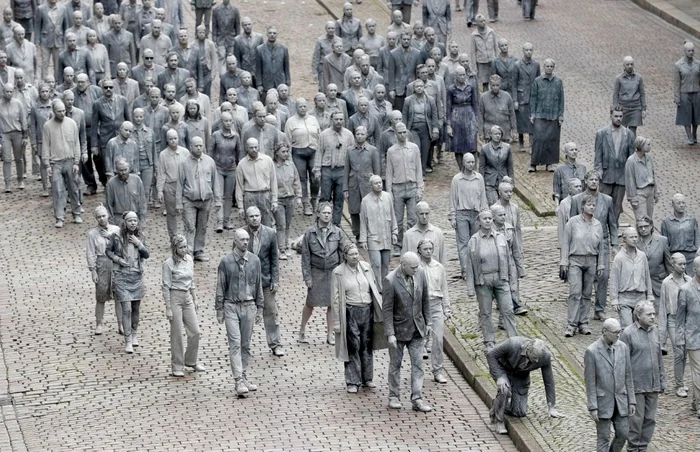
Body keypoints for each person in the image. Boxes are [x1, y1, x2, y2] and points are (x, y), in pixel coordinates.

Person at [215, 229, 264, 397]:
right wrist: (219, 309)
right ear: (235, 241)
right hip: (231, 305)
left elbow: (258, 284)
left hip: (249, 305)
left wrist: (260, 307)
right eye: (242, 239)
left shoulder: (255, 260)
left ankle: (243, 375)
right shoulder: (226, 262)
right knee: (235, 343)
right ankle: (238, 380)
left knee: (246, 344)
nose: (245, 242)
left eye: (247, 239)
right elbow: (220, 286)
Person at [332, 243, 385, 393]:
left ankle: (367, 378)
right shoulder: (338, 273)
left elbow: (373, 287)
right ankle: (353, 381)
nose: (355, 256)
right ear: (345, 256)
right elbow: (335, 299)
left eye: (356, 254)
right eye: (352, 254)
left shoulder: (365, 267)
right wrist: (337, 322)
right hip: (350, 311)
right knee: (353, 346)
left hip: (367, 310)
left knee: (367, 345)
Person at [383, 252, 432, 412]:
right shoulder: (390, 280)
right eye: (412, 267)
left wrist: (428, 322)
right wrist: (390, 333)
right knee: (395, 365)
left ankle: (417, 399)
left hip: (417, 328)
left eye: (417, 267)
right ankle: (393, 396)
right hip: (398, 330)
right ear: (402, 265)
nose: (416, 270)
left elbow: (425, 299)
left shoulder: (421, 274)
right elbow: (387, 309)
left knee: (418, 365)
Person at [465, 209, 518, 350]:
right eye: (485, 219)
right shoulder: (474, 241)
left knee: (508, 309)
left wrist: (512, 280)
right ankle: (489, 341)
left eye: (489, 218)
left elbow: (508, 259)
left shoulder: (500, 238)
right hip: (483, 280)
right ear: (479, 222)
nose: (488, 221)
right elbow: (469, 266)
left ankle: (514, 339)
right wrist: (470, 287)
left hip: (501, 278)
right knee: (485, 312)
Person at [486, 337, 561, 435]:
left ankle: (497, 405)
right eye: (530, 359)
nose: (531, 363)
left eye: (534, 361)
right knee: (505, 390)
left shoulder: (545, 357)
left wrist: (551, 406)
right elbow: (491, 355)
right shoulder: (513, 343)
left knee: (520, 412)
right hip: (503, 369)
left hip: (520, 377)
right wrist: (499, 377)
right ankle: (498, 421)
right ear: (527, 349)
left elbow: (549, 380)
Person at [571, 170, 618, 320]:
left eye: (597, 180)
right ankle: (581, 308)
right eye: (591, 179)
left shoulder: (607, 200)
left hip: (602, 242)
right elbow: (571, 225)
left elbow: (613, 223)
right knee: (584, 277)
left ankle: (600, 308)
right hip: (583, 244)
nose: (594, 182)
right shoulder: (577, 200)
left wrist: (614, 243)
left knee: (603, 276)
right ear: (585, 181)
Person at [584, 318, 636, 452]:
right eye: (615, 332)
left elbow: (628, 376)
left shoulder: (623, 347)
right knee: (603, 438)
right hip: (603, 401)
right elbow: (590, 382)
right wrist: (593, 406)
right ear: (604, 331)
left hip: (621, 401)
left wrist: (632, 401)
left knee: (623, 433)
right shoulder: (592, 351)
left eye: (619, 332)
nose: (618, 335)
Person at [619, 301, 665, 452]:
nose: (653, 317)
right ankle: (633, 448)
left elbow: (659, 358)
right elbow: (622, 362)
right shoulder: (628, 334)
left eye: (653, 314)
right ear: (638, 316)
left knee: (649, 419)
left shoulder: (655, 331)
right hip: (636, 386)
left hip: (653, 384)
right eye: (649, 314)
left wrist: (661, 381)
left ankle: (643, 447)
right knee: (636, 421)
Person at [300, 202, 346, 345]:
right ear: (318, 214)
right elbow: (305, 257)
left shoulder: (337, 232)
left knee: (332, 304)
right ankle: (302, 330)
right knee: (310, 303)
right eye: (324, 213)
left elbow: (344, 252)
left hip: (332, 272)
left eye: (329, 213)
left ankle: (330, 334)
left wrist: (343, 273)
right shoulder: (310, 232)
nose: (327, 215)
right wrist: (307, 277)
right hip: (316, 272)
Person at [560, 193, 606, 337]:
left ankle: (584, 323)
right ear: (582, 206)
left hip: (591, 260)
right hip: (575, 260)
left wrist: (601, 264)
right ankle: (571, 324)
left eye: (594, 205)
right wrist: (564, 262)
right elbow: (565, 243)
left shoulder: (598, 224)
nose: (592, 207)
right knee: (575, 292)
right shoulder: (572, 223)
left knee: (587, 294)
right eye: (589, 205)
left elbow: (602, 246)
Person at [105, 211, 149, 354]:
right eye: (130, 220)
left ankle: (135, 333)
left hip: (136, 276)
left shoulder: (140, 236)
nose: (133, 223)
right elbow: (108, 251)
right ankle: (127, 340)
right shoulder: (116, 236)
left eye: (135, 220)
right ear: (125, 222)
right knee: (127, 309)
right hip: (122, 276)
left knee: (136, 308)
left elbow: (147, 254)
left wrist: (139, 244)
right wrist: (118, 260)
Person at [243, 206, 284, 357]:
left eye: (257, 215)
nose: (254, 218)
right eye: (251, 216)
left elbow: (274, 259)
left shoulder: (270, 233)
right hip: (247, 282)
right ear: (246, 218)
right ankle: (244, 347)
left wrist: (275, 279)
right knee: (247, 315)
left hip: (266, 280)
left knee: (271, 312)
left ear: (261, 216)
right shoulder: (241, 234)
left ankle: (275, 344)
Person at [162, 235, 205, 377]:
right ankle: (177, 365)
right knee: (177, 333)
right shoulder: (168, 264)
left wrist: (195, 298)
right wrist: (168, 307)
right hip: (175, 297)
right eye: (181, 247)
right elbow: (166, 286)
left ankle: (191, 360)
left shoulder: (189, 260)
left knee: (195, 331)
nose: (184, 249)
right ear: (175, 248)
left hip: (187, 297)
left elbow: (191, 280)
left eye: (185, 246)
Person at [176, 136, 219, 262]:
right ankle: (188, 252)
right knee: (190, 226)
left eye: (201, 145)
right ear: (191, 147)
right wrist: (179, 203)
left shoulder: (210, 161)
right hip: (189, 200)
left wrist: (218, 200)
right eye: (196, 145)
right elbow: (179, 183)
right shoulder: (184, 163)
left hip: (206, 200)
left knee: (202, 226)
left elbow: (215, 181)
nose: (199, 148)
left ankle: (199, 250)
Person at [42, 99, 83, 228]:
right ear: (54, 111)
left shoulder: (72, 123)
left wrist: (77, 162)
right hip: (56, 163)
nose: (62, 113)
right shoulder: (47, 126)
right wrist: (47, 164)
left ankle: (76, 213)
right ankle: (60, 217)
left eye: (64, 110)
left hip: (70, 161)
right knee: (58, 190)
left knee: (74, 189)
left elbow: (77, 143)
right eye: (59, 111)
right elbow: (45, 146)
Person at [386, 122, 423, 257]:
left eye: (404, 132)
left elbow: (419, 169)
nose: (402, 135)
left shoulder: (414, 148)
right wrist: (389, 191)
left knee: (413, 218)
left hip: (412, 186)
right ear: (395, 133)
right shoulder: (391, 151)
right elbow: (389, 172)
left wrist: (420, 187)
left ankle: (413, 244)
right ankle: (398, 244)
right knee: (398, 219)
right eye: (399, 132)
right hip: (398, 187)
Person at [416, 238, 451, 384]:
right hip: (421, 306)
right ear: (419, 251)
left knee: (438, 339)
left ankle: (438, 370)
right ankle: (417, 371)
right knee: (419, 339)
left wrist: (446, 308)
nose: (428, 252)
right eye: (425, 249)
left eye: (430, 249)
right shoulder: (416, 268)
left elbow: (444, 288)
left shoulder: (439, 267)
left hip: (436, 305)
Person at [593, 106, 636, 224]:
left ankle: (614, 228)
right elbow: (598, 155)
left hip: (621, 176)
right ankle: (600, 227)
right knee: (602, 204)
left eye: (620, 116)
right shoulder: (601, 133)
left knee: (617, 206)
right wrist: (598, 171)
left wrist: (630, 175)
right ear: (611, 116)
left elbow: (631, 157)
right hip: (606, 175)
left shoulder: (629, 134)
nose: (618, 119)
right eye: (616, 116)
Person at [449, 152, 487, 278]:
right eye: (468, 162)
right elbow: (453, 199)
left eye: (473, 162)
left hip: (476, 214)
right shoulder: (457, 179)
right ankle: (465, 269)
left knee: (476, 242)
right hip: (462, 214)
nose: (471, 164)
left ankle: (476, 268)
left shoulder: (479, 178)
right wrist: (453, 216)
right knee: (463, 243)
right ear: (463, 163)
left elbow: (482, 197)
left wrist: (484, 213)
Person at [86, 204, 122, 335]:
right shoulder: (92, 234)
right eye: (99, 217)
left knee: (119, 295)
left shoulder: (116, 229)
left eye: (103, 216)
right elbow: (90, 252)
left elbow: (121, 246)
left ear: (108, 215)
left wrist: (109, 237)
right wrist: (93, 270)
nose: (102, 219)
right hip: (102, 263)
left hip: (115, 262)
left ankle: (121, 324)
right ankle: (99, 323)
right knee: (101, 295)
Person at [659, 253, 691, 398]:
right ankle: (679, 384)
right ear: (673, 265)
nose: (683, 267)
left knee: (685, 353)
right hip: (673, 320)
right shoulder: (667, 283)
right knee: (678, 351)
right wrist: (662, 334)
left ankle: (682, 380)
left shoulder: (689, 281)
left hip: (688, 321)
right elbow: (663, 308)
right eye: (680, 264)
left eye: (685, 264)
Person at [610, 227, 655, 329]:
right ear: (624, 239)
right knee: (627, 327)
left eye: (636, 237)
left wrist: (650, 296)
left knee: (642, 325)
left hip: (640, 296)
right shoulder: (619, 258)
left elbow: (647, 276)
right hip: (625, 297)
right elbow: (614, 280)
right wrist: (614, 300)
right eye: (631, 237)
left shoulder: (642, 256)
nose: (634, 239)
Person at [315, 111, 354, 227]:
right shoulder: (324, 134)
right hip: (327, 170)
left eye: (341, 119)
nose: (339, 122)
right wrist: (317, 170)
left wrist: (351, 171)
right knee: (325, 197)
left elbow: (351, 153)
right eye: (336, 119)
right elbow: (319, 152)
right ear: (332, 120)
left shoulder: (348, 135)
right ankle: (321, 222)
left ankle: (336, 224)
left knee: (339, 198)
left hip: (342, 170)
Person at [359, 174, 398, 289]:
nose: (379, 185)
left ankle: (385, 286)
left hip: (386, 236)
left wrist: (394, 232)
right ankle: (378, 288)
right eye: (376, 183)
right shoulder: (365, 201)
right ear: (371, 185)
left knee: (386, 264)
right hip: (373, 237)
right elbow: (363, 221)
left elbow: (393, 215)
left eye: (380, 182)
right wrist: (363, 239)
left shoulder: (387, 197)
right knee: (376, 264)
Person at [284, 98, 320, 217]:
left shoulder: (313, 119)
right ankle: (305, 204)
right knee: (302, 179)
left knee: (315, 177)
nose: (303, 108)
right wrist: (288, 156)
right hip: (298, 152)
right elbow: (287, 140)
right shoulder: (291, 122)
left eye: (305, 106)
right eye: (301, 107)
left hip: (313, 151)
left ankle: (314, 199)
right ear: (296, 108)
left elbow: (319, 136)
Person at [344, 127, 380, 240]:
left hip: (367, 185)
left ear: (366, 135)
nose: (360, 136)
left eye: (362, 134)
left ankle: (371, 233)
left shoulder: (372, 150)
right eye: (357, 134)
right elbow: (346, 170)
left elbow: (377, 170)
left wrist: (377, 187)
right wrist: (345, 188)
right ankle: (357, 233)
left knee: (369, 209)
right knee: (354, 210)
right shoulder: (349, 150)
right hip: (353, 184)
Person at [529, 58, 564, 173]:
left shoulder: (558, 82)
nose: (549, 68)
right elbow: (533, 97)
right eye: (547, 66)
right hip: (540, 114)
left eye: (551, 66)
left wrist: (560, 115)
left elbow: (561, 100)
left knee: (551, 140)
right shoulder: (537, 81)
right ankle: (533, 163)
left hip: (553, 115)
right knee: (538, 139)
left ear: (553, 68)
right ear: (544, 67)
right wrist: (533, 113)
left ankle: (549, 163)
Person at [209, 112, 242, 232]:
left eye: (230, 121)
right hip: (218, 168)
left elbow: (238, 152)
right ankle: (219, 221)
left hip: (231, 169)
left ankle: (226, 221)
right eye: (226, 121)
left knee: (228, 196)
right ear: (221, 122)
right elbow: (210, 152)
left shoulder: (236, 136)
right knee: (219, 195)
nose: (228, 123)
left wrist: (237, 165)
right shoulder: (216, 135)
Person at [236, 137, 278, 228]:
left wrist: (274, 200)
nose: (254, 150)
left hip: (265, 195)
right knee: (251, 224)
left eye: (256, 147)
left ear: (258, 147)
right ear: (247, 148)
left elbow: (273, 181)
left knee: (267, 223)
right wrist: (240, 206)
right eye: (251, 148)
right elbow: (239, 186)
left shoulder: (267, 160)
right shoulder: (242, 164)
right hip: (250, 195)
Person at [635, 215, 672, 317]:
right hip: (641, 284)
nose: (643, 229)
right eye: (640, 227)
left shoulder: (662, 241)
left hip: (658, 284)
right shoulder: (634, 242)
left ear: (651, 226)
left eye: (646, 226)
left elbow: (669, 263)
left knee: (660, 314)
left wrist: (672, 281)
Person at [157, 129, 190, 238]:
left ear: (178, 138)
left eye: (175, 138)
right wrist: (160, 191)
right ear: (167, 140)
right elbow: (161, 173)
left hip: (184, 186)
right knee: (171, 213)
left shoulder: (185, 152)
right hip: (170, 186)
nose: (173, 141)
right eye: (170, 139)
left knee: (186, 211)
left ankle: (187, 234)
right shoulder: (163, 155)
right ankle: (174, 236)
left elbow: (191, 169)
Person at [403, 78, 439, 174]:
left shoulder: (430, 100)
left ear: (424, 88)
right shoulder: (408, 100)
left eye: (421, 86)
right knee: (416, 148)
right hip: (413, 128)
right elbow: (405, 116)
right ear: (414, 88)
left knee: (425, 151)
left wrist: (435, 129)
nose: (419, 88)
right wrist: (404, 130)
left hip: (426, 128)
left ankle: (422, 171)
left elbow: (434, 116)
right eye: (417, 87)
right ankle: (415, 172)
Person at [446, 66, 478, 171]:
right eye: (460, 75)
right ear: (456, 76)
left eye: (464, 74)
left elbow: (475, 104)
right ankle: (461, 169)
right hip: (456, 117)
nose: (462, 77)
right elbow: (448, 107)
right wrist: (449, 125)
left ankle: (472, 169)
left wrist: (476, 120)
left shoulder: (471, 87)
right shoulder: (451, 89)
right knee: (458, 146)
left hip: (469, 116)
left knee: (471, 144)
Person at [273, 142, 301, 259]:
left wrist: (298, 196)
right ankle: (281, 249)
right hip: (278, 199)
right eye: (283, 152)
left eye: (287, 151)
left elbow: (296, 181)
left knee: (288, 224)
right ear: (277, 153)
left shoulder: (291, 165)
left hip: (290, 198)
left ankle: (286, 245)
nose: (285, 154)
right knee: (281, 225)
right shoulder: (273, 167)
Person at [660, 193, 700, 275]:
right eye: (678, 203)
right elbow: (664, 243)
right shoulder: (666, 222)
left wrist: (697, 254)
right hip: (674, 257)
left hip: (690, 257)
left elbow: (697, 238)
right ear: (673, 204)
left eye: (683, 203)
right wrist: (668, 260)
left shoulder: (691, 220)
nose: (681, 205)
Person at [512, 42, 540, 152]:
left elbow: (538, 81)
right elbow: (513, 83)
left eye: (530, 50)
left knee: (532, 121)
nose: (528, 52)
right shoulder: (517, 65)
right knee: (521, 121)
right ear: (523, 51)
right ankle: (520, 142)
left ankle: (532, 144)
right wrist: (515, 100)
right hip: (521, 96)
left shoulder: (536, 65)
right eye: (526, 50)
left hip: (532, 96)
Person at [0, 84, 27, 193]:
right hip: (5, 134)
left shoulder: (18, 104)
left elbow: (23, 119)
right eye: (7, 91)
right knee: (6, 159)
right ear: (3, 92)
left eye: (11, 91)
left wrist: (25, 135)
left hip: (17, 133)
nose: (9, 94)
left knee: (18, 158)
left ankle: (20, 180)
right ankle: (7, 184)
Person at [104, 158, 147, 226]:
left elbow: (142, 202)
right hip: (119, 218)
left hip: (134, 217)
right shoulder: (111, 184)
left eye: (125, 170)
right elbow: (109, 205)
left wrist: (142, 220)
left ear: (129, 168)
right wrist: (112, 224)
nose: (123, 172)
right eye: (121, 170)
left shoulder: (137, 180)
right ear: (116, 170)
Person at [625, 136, 659, 221]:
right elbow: (630, 180)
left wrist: (655, 192)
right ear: (641, 146)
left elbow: (653, 175)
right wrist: (632, 198)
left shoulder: (649, 158)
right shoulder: (631, 161)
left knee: (649, 219)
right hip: (640, 193)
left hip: (650, 191)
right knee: (642, 220)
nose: (650, 146)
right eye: (648, 144)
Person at [673, 41, 700, 144]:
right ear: (684, 51)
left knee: (696, 115)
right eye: (689, 51)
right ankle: (689, 136)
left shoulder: (698, 64)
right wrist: (677, 97)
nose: (691, 53)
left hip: (696, 93)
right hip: (685, 93)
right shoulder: (678, 65)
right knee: (686, 116)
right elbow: (676, 83)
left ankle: (694, 134)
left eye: (692, 50)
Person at [478, 75, 516, 146]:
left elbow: (512, 115)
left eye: (497, 85)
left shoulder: (507, 96)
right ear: (489, 85)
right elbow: (480, 116)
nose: (495, 87)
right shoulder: (483, 97)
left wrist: (514, 130)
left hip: (504, 130)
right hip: (489, 131)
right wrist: (481, 133)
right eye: (493, 85)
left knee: (504, 154)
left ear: (500, 85)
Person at [479, 125, 513, 205]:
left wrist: (512, 182)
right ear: (490, 134)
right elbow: (482, 167)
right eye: (495, 134)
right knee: (493, 204)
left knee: (504, 204)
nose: (497, 136)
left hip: (503, 179)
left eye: (499, 134)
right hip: (490, 181)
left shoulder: (507, 147)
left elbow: (510, 167)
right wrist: (481, 183)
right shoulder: (485, 148)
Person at [612, 56, 646, 136]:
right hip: (624, 108)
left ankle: (631, 147)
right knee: (622, 131)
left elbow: (642, 93)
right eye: (627, 64)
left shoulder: (639, 78)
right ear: (624, 65)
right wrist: (615, 108)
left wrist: (643, 108)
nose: (630, 66)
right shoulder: (619, 79)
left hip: (635, 108)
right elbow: (615, 94)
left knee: (632, 131)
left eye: (631, 64)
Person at [388, 32, 422, 112]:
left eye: (408, 39)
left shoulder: (417, 53)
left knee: (412, 111)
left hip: (412, 87)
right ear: (400, 40)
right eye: (404, 39)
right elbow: (391, 72)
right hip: (398, 88)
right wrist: (391, 89)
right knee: (399, 111)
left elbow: (418, 72)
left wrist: (418, 85)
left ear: (411, 40)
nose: (406, 41)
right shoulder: (393, 53)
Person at [255, 26, 290, 102]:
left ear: (277, 35)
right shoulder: (260, 49)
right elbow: (258, 69)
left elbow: (286, 67)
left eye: (274, 33)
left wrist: (287, 83)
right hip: (266, 83)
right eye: (270, 33)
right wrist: (259, 84)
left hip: (280, 81)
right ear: (267, 34)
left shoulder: (284, 49)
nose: (272, 35)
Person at [34, 0, 66, 83]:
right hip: (45, 40)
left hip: (58, 40)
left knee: (58, 64)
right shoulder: (41, 9)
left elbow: (65, 26)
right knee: (44, 63)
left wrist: (65, 41)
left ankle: (57, 83)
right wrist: (37, 41)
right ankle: (44, 83)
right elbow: (37, 26)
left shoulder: (63, 8)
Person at [470, 15, 497, 92]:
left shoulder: (491, 32)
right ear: (477, 23)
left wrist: (497, 60)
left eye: (484, 20)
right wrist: (474, 67)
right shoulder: (474, 35)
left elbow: (496, 47)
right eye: (481, 21)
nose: (483, 22)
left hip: (492, 61)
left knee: (494, 81)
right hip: (481, 62)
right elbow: (473, 52)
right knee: (484, 83)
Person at [212, 0, 240, 71]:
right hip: (220, 38)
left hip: (231, 39)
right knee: (221, 57)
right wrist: (214, 39)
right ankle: (222, 77)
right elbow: (214, 26)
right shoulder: (216, 10)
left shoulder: (235, 10)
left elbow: (237, 26)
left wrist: (238, 38)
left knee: (231, 58)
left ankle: (230, 75)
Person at [556, 178, 583, 250]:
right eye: (576, 187)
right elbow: (561, 224)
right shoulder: (564, 203)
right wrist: (561, 244)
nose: (579, 189)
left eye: (580, 186)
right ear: (570, 189)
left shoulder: (585, 201)